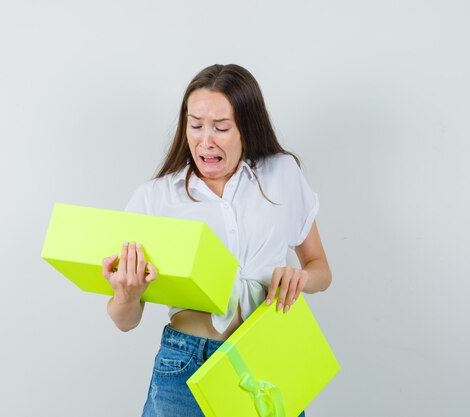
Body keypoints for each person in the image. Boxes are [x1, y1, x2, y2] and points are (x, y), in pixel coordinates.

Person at [101, 64, 332, 417]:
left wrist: (301, 277)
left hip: (266, 359)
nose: (205, 140)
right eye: (195, 125)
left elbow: (321, 270)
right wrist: (126, 295)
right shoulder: (155, 199)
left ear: (247, 129)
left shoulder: (281, 174)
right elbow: (124, 320)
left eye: (221, 128)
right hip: (185, 366)